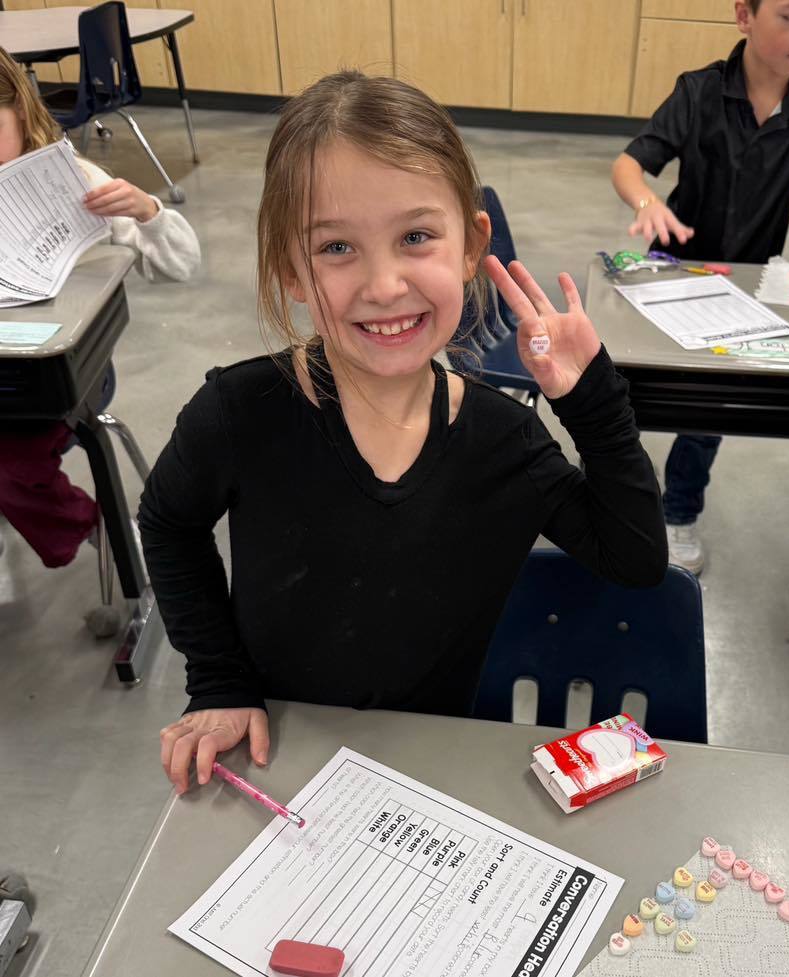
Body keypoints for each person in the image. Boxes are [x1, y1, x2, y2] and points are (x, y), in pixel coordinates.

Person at [144, 71, 667, 796]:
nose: (384, 284)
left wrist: (593, 402)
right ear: (289, 270)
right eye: (335, 248)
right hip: (278, 758)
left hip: (434, 771)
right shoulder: (240, 412)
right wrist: (219, 679)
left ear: (468, 245)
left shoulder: (504, 440)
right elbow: (168, 520)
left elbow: (635, 557)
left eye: (415, 237)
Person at [611, 0, 789, 575]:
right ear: (744, 16)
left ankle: (678, 510)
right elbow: (630, 166)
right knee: (631, 393)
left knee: (710, 410)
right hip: (673, 268)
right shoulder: (700, 91)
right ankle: (618, 497)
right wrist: (646, 201)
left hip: (748, 283)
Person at [0, 47, 200, 569]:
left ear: (20, 109)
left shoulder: (79, 184)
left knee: (8, 465)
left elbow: (180, 266)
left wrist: (148, 212)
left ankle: (91, 525)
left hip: (62, 376)